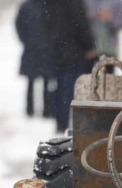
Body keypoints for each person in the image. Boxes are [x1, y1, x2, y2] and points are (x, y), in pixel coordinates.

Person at [40, 0, 98, 133]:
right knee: (69, 88)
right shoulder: (75, 3)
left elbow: (44, 24)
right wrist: (89, 46)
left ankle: (60, 121)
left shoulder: (49, 4)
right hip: (73, 52)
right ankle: (66, 122)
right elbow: (82, 25)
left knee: (59, 86)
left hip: (55, 51)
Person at [15, 0, 54, 118]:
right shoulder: (49, 6)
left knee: (32, 81)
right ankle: (45, 110)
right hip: (44, 48)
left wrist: (26, 40)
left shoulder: (27, 6)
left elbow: (18, 25)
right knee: (45, 81)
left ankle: (30, 109)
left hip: (34, 48)